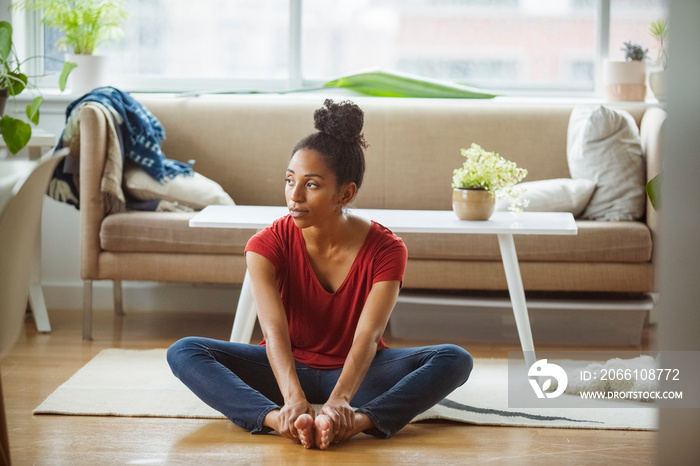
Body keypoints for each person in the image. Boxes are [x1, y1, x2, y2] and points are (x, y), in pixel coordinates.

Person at [167, 99, 473, 450]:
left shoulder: (388, 249)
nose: (294, 196)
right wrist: (293, 398)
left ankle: (357, 422)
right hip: (284, 371)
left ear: (346, 193)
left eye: (311, 185)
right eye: (289, 180)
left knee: (455, 359)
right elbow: (274, 332)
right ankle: (276, 419)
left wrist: (341, 400)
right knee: (184, 351)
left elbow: (369, 337)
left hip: (358, 375)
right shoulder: (265, 245)